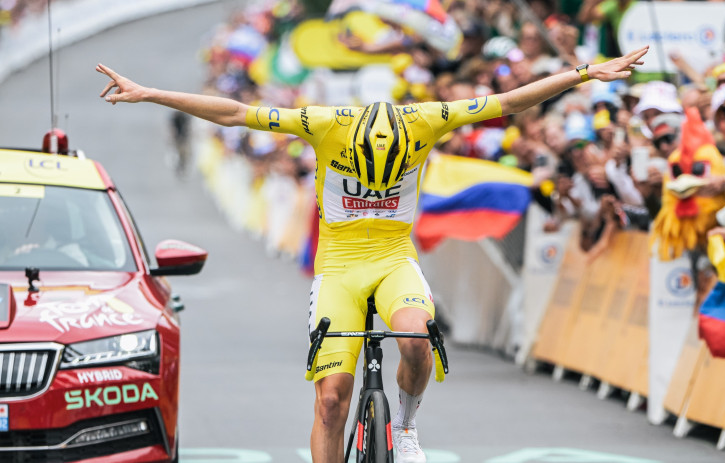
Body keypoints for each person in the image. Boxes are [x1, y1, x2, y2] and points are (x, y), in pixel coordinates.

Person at [95, 44, 648, 463]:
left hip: (392, 260)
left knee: (414, 336)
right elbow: (236, 113)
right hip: (337, 267)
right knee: (332, 399)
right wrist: (152, 93)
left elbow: (506, 102)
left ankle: (404, 426)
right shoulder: (325, 122)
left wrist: (583, 73)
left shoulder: (426, 118)